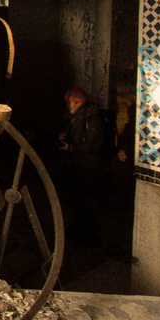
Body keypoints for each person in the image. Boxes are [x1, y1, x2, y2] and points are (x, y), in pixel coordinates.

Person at [60, 87, 110, 245]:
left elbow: (94, 146)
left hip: (90, 168)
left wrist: (71, 148)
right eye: (69, 103)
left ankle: (90, 237)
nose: (70, 106)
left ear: (79, 103)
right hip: (79, 166)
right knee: (78, 201)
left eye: (73, 103)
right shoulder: (75, 117)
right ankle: (79, 229)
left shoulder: (91, 119)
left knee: (88, 203)